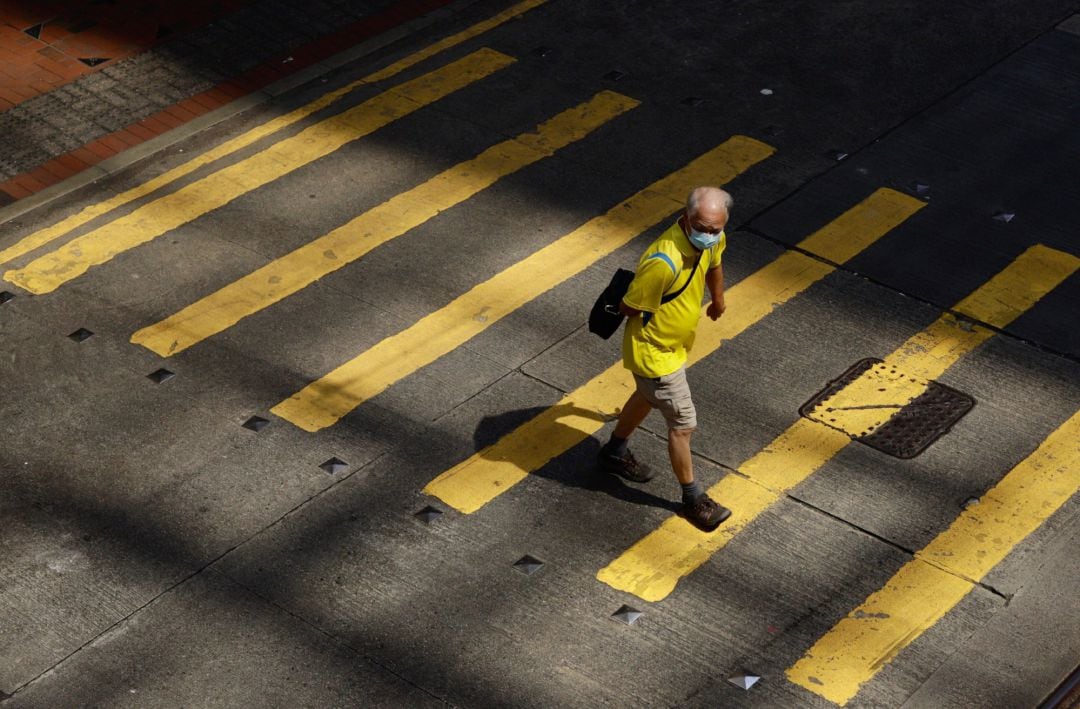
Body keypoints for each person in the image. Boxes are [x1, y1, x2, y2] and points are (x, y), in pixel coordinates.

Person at [598, 186, 733, 532]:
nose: (708, 234)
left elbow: (713, 263)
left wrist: (717, 300)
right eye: (701, 227)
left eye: (715, 228)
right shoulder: (663, 262)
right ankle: (693, 500)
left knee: (646, 398)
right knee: (683, 425)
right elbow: (630, 305)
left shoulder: (714, 236)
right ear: (686, 218)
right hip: (655, 353)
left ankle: (614, 451)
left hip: (675, 346)